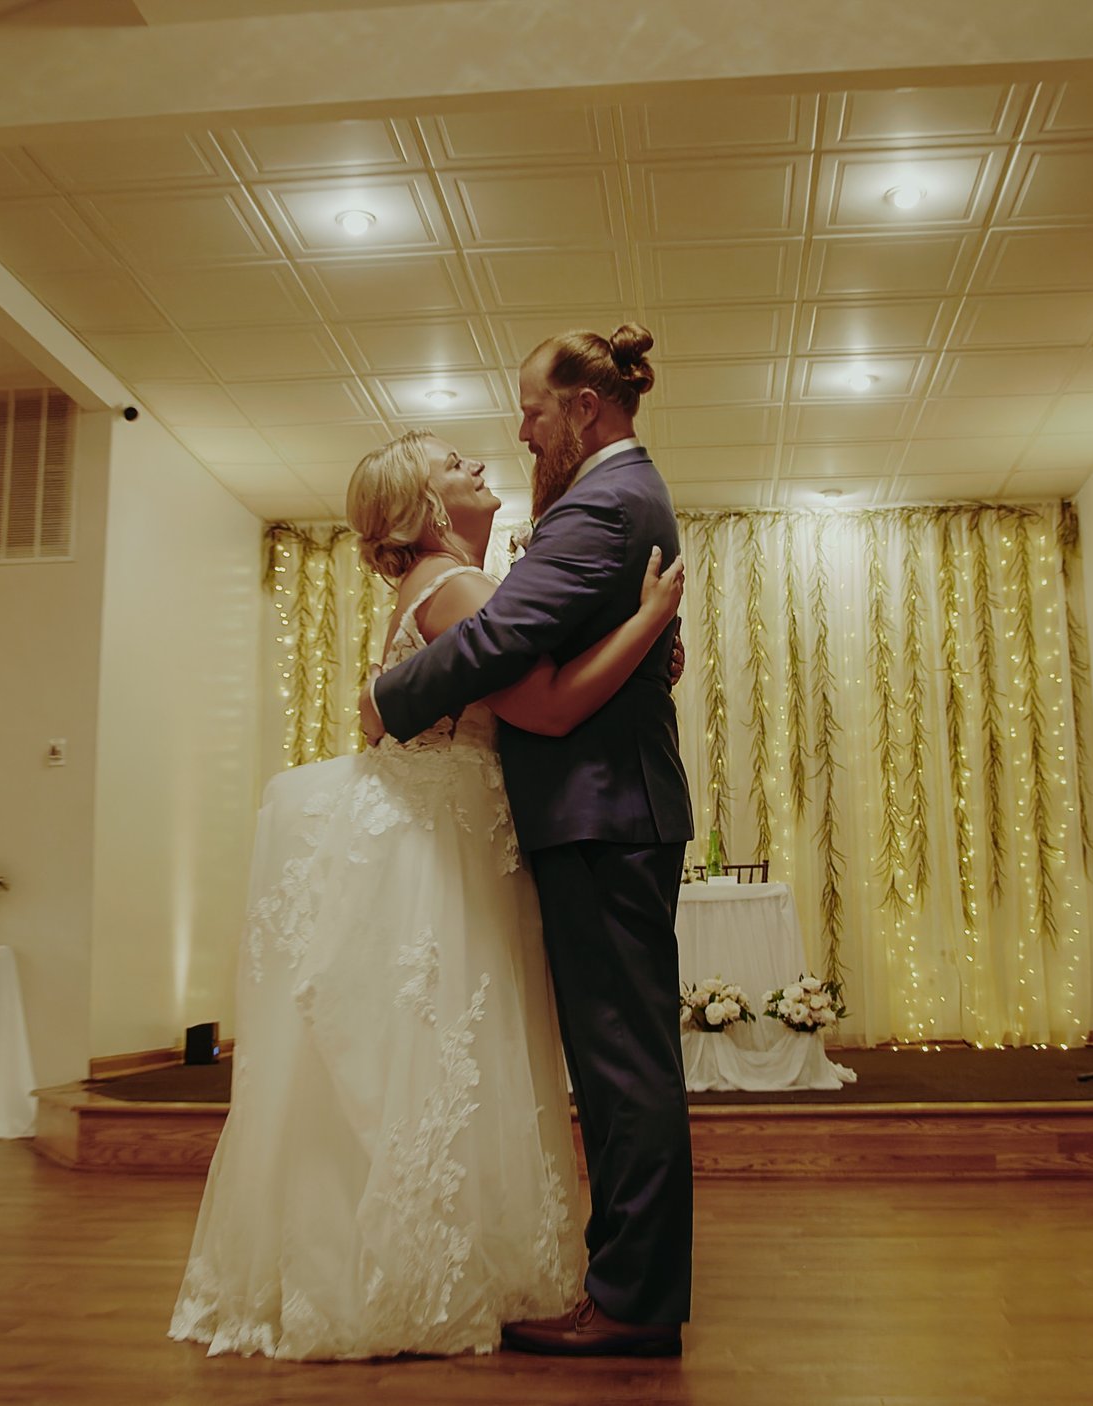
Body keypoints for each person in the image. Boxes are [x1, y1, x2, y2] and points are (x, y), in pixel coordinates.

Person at [169, 427, 686, 1362]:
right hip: (448, 849)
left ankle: (418, 1257)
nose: (482, 466)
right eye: (457, 467)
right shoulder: (460, 592)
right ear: (424, 511)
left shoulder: (448, 591)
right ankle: (425, 1270)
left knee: (427, 1064)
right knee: (446, 1058)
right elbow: (554, 707)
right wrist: (650, 622)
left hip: (449, 834)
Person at [364, 326, 696, 1359]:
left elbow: (506, 643)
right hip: (596, 809)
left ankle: (635, 1301)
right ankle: (625, 1281)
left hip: (603, 813)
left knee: (622, 1066)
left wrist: (386, 692)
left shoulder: (601, 499)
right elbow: (538, 648)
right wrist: (644, 642)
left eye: (532, 408)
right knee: (609, 1064)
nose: (518, 430)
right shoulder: (603, 501)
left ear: (582, 410)